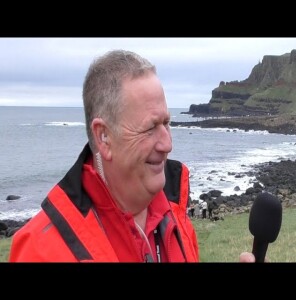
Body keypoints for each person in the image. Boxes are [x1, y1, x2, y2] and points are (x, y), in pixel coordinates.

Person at [9, 50, 199, 262]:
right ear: (104, 136)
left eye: (166, 123)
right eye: (150, 128)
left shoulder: (176, 216)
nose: (167, 144)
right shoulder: (40, 251)